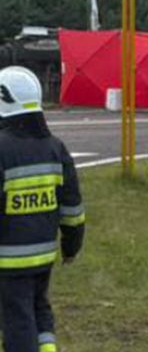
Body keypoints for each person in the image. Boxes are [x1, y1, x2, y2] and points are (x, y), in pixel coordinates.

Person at [0, 66, 85, 352]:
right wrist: (71, 247)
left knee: (17, 320)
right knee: (40, 310)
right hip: (44, 256)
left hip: (8, 260)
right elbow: (72, 209)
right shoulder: (55, 147)